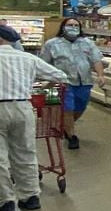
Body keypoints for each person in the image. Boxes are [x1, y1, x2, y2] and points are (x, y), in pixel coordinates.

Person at [0, 25, 69, 211]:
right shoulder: (27, 58)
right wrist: (44, 87)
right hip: (23, 107)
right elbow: (61, 76)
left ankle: (5, 202)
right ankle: (30, 197)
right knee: (26, 153)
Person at [40, 17, 105, 149]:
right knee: (68, 108)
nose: (73, 27)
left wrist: (101, 75)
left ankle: (66, 126)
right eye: (70, 25)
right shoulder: (52, 44)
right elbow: (44, 63)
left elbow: (96, 60)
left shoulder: (87, 43)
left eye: (76, 25)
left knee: (80, 107)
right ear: (63, 27)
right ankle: (72, 136)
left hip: (84, 81)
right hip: (64, 82)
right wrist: (47, 81)